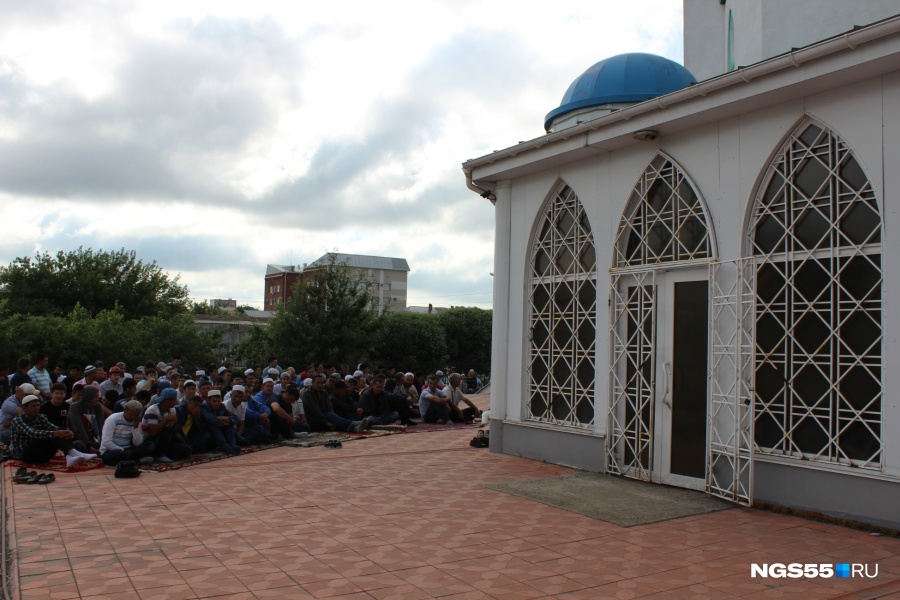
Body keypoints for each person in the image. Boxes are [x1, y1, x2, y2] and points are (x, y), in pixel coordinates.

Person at [10, 394, 97, 468]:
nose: (37, 408)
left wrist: (67, 432)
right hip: (26, 455)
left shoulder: (41, 417)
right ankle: (73, 453)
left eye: (38, 405)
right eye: (33, 406)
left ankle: (70, 456)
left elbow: (54, 428)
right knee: (51, 435)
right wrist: (56, 433)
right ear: (24, 408)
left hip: (43, 454)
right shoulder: (18, 420)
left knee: (59, 432)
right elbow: (32, 433)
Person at [302, 374, 373, 433]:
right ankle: (353, 423)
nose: (320, 385)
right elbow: (316, 411)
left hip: (327, 417)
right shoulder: (308, 394)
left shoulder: (324, 393)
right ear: (312, 383)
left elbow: (329, 408)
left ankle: (355, 429)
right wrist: (326, 422)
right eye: (318, 383)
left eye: (321, 383)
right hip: (314, 419)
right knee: (335, 416)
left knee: (335, 419)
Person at [141, 388, 191, 463]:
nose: (176, 401)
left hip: (166, 439)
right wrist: (166, 420)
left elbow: (175, 430)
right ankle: (160, 455)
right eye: (174, 400)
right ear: (167, 401)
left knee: (186, 449)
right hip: (150, 439)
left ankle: (163, 453)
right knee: (167, 429)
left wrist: (175, 421)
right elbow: (153, 432)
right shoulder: (152, 410)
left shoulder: (172, 410)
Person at [100, 400, 154, 466]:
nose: (132, 417)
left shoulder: (136, 421)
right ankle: (137, 461)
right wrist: (123, 450)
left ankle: (128, 461)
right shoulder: (113, 419)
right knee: (115, 454)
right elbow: (106, 442)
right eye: (131, 414)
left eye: (135, 415)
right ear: (125, 410)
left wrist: (135, 428)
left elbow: (138, 443)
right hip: (110, 450)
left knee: (150, 444)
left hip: (127, 449)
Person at [66, 386, 105, 454]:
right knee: (79, 445)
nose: (98, 398)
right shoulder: (75, 407)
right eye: (95, 396)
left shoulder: (97, 406)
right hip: (76, 438)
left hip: (91, 439)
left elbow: (101, 425)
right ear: (89, 396)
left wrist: (103, 441)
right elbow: (78, 428)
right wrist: (88, 445)